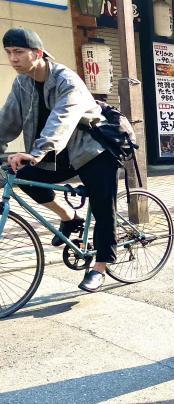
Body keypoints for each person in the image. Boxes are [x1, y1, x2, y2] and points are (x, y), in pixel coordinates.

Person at [0, 28, 118, 292]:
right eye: (9, 53)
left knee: (102, 205)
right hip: (57, 154)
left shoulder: (66, 80)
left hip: (93, 150)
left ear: (38, 53)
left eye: (19, 52)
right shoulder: (22, 84)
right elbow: (6, 121)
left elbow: (61, 120)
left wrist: (37, 152)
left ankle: (101, 265)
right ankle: (69, 217)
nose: (13, 58)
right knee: (22, 176)